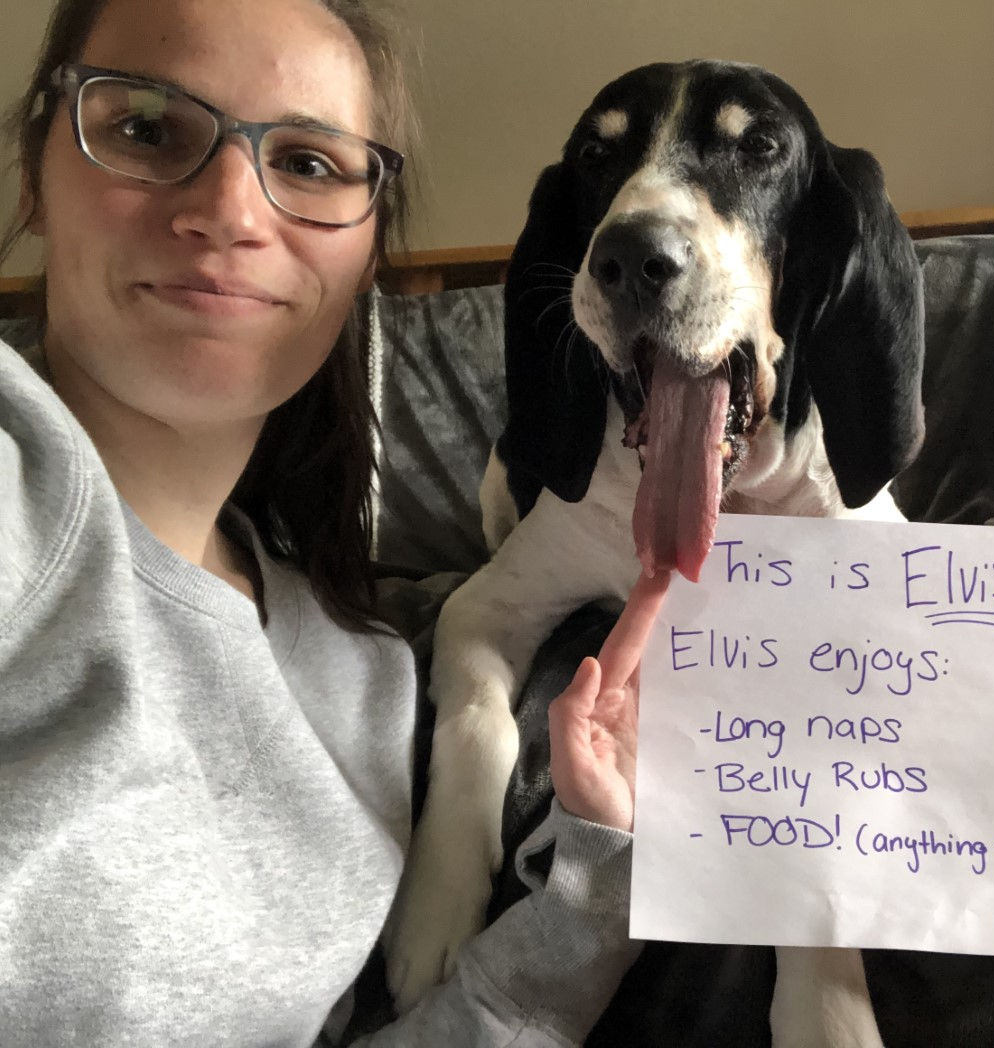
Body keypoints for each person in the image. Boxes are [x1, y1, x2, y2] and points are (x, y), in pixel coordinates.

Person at [0, 0, 669, 1044]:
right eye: (145, 129)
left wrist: (596, 883)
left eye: (309, 163)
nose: (230, 208)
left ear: (367, 248)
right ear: (35, 169)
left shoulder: (360, 673)